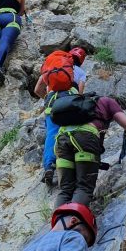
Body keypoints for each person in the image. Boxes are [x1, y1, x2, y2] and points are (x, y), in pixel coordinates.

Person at [55, 96, 126, 207]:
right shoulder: (110, 102)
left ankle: (58, 223)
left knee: (65, 190)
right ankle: (74, 222)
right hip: (85, 138)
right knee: (84, 187)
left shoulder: (83, 102)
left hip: (62, 139)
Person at [33, 48, 87, 187]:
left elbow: (37, 89)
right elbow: (80, 94)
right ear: (82, 61)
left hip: (52, 101)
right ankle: (72, 166)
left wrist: (47, 98)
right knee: (72, 130)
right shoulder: (80, 72)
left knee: (52, 134)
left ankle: (49, 167)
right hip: (70, 100)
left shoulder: (52, 67)